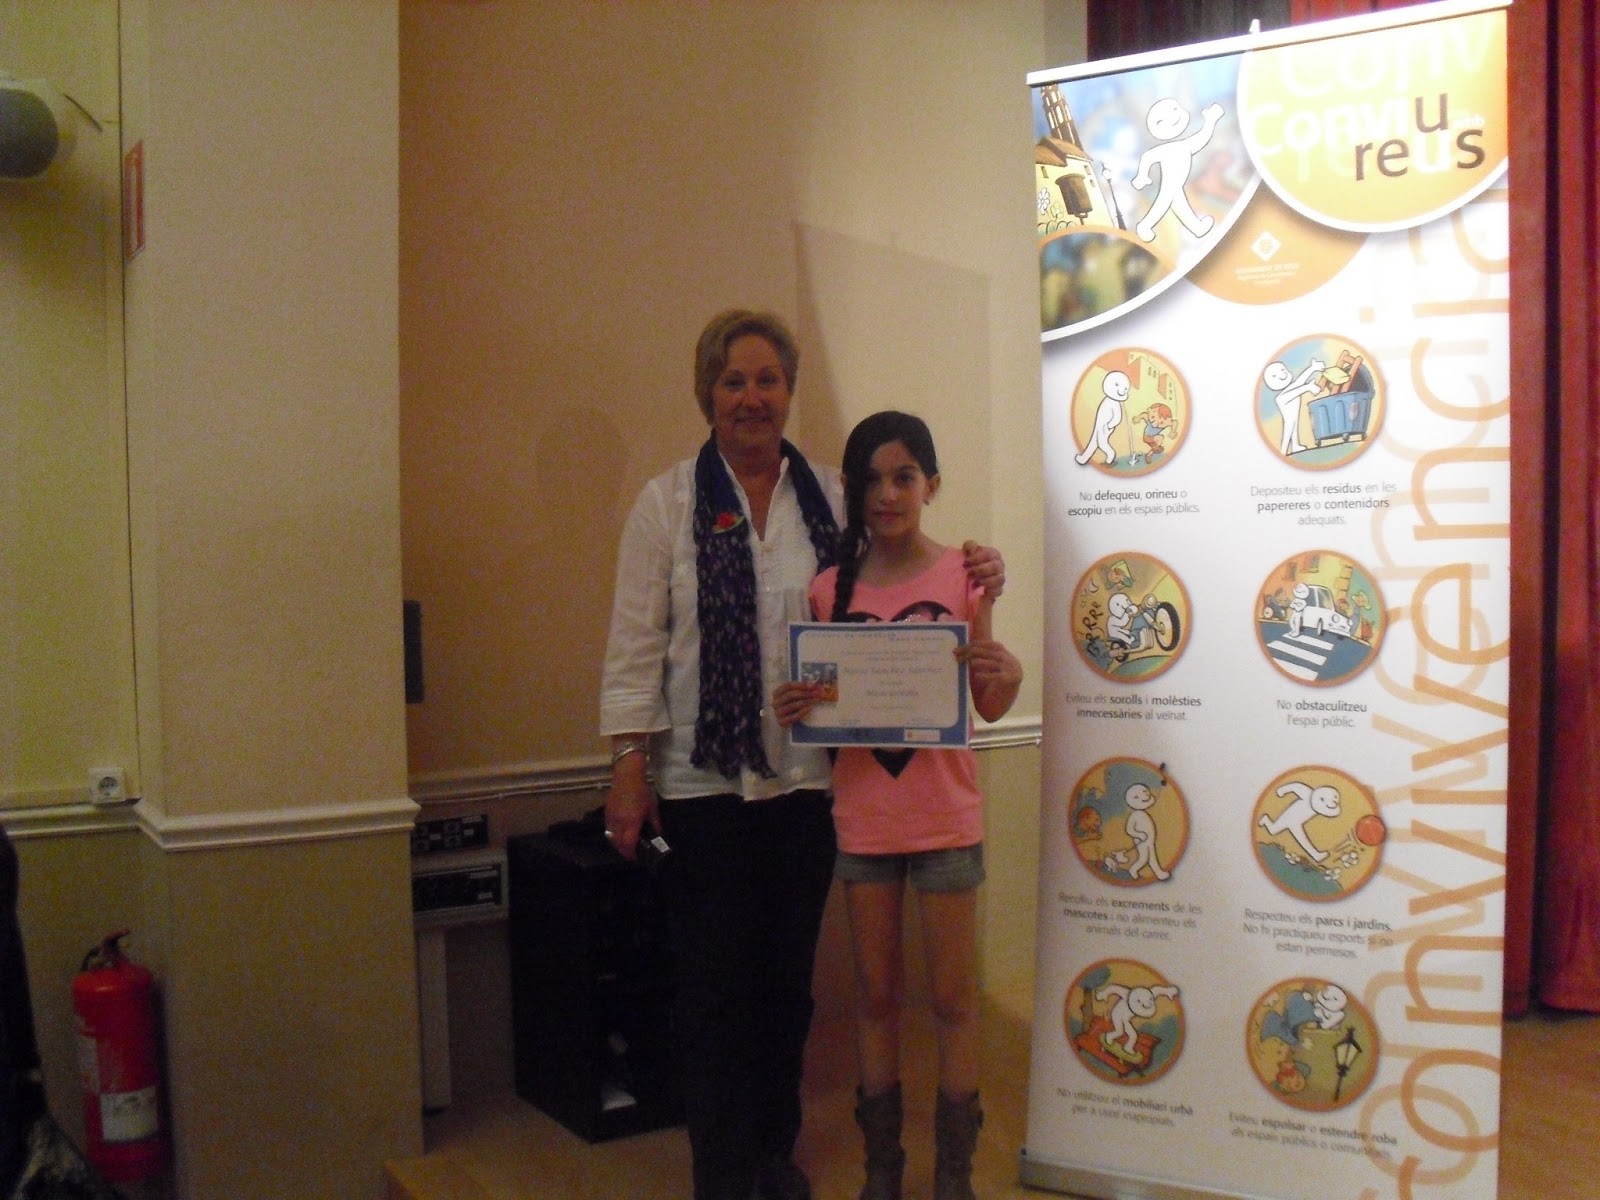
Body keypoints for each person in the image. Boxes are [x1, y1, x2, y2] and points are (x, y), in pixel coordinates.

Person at [600, 314, 1004, 1200]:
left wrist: (981, 565)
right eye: (733, 381)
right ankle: (724, 1171)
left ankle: (773, 1159)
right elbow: (636, 647)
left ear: (788, 392)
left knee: (785, 987)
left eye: (767, 380)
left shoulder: (831, 494)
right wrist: (628, 766)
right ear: (707, 394)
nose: (751, 398)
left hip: (811, 786)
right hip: (703, 786)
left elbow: (903, 565)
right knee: (712, 991)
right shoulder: (666, 505)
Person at [771, 410, 1022, 1200]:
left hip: (946, 817)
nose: (887, 493)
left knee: (952, 998)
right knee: (875, 999)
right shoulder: (825, 590)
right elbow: (825, 717)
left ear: (931, 485)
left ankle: (955, 1174)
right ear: (852, 491)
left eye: (904, 476)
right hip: (864, 822)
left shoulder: (966, 576)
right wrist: (796, 705)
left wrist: (1008, 673)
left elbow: (989, 703)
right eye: (872, 480)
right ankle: (882, 1169)